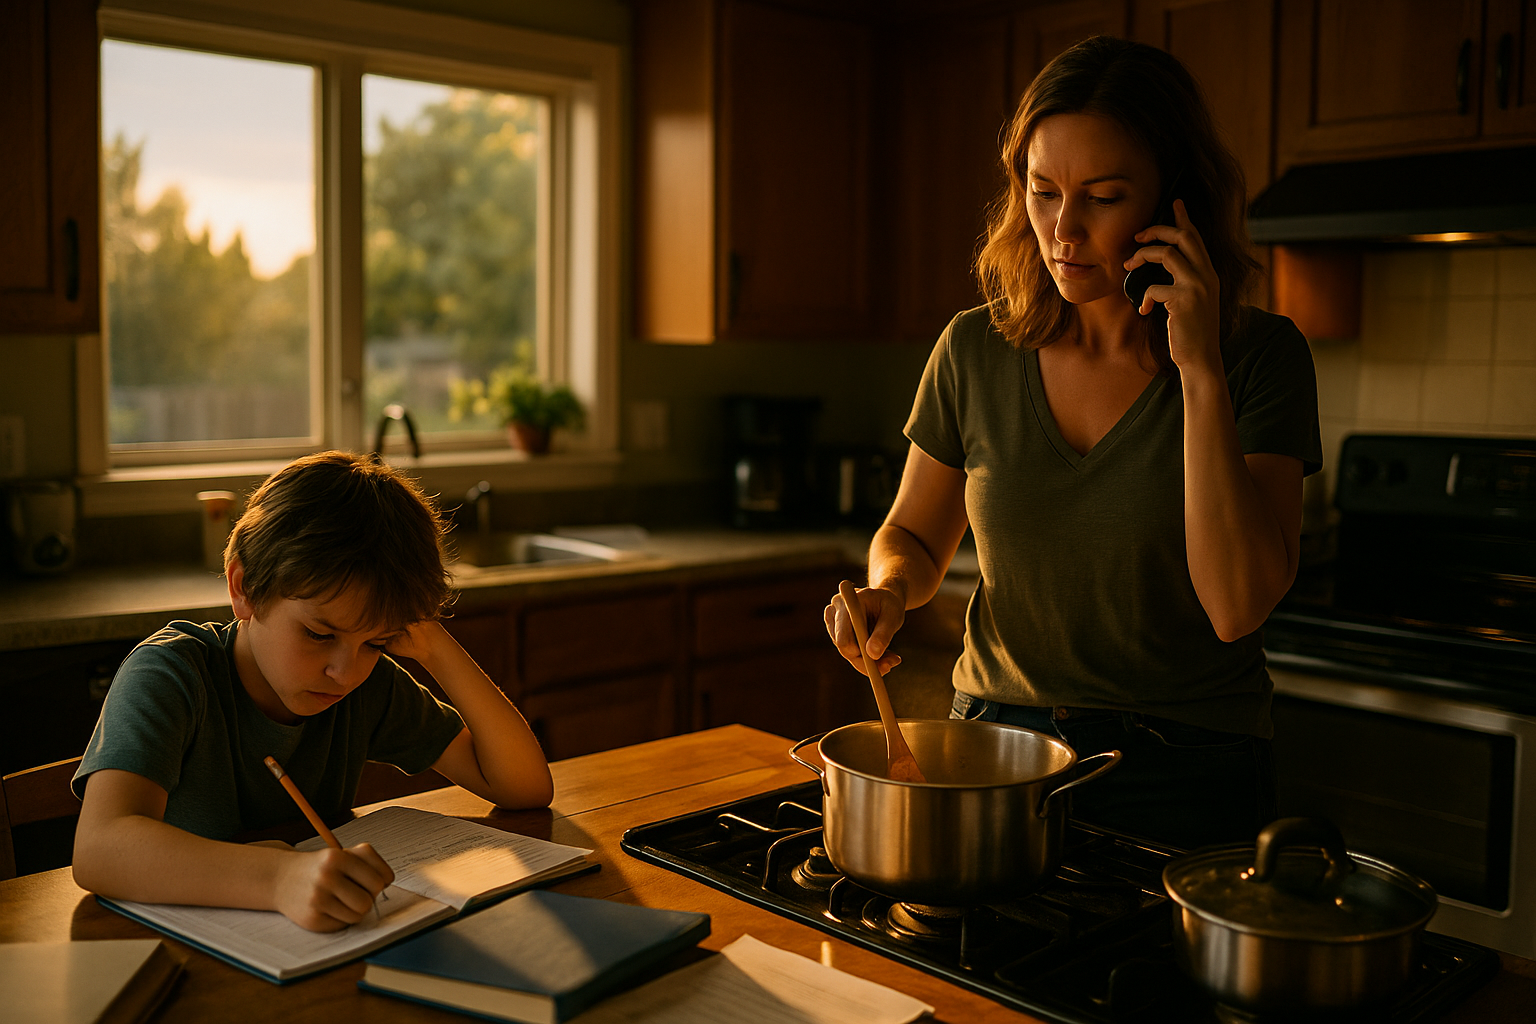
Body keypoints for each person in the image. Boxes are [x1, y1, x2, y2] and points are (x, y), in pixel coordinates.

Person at [826, 36, 1321, 851]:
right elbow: (911, 535)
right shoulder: (972, 349)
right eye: (1042, 189)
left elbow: (1237, 607)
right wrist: (887, 589)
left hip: (1184, 769)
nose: (1063, 229)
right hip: (992, 747)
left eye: (1103, 196)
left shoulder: (1258, 357)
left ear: (1174, 200)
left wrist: (1199, 369)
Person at [72, 451, 553, 931]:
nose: (345, 673)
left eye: (377, 642)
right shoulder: (173, 674)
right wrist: (280, 878)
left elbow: (523, 787)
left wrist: (435, 647)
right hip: (177, 948)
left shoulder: (370, 685)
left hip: (317, 946)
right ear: (244, 589)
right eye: (320, 635)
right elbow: (99, 849)